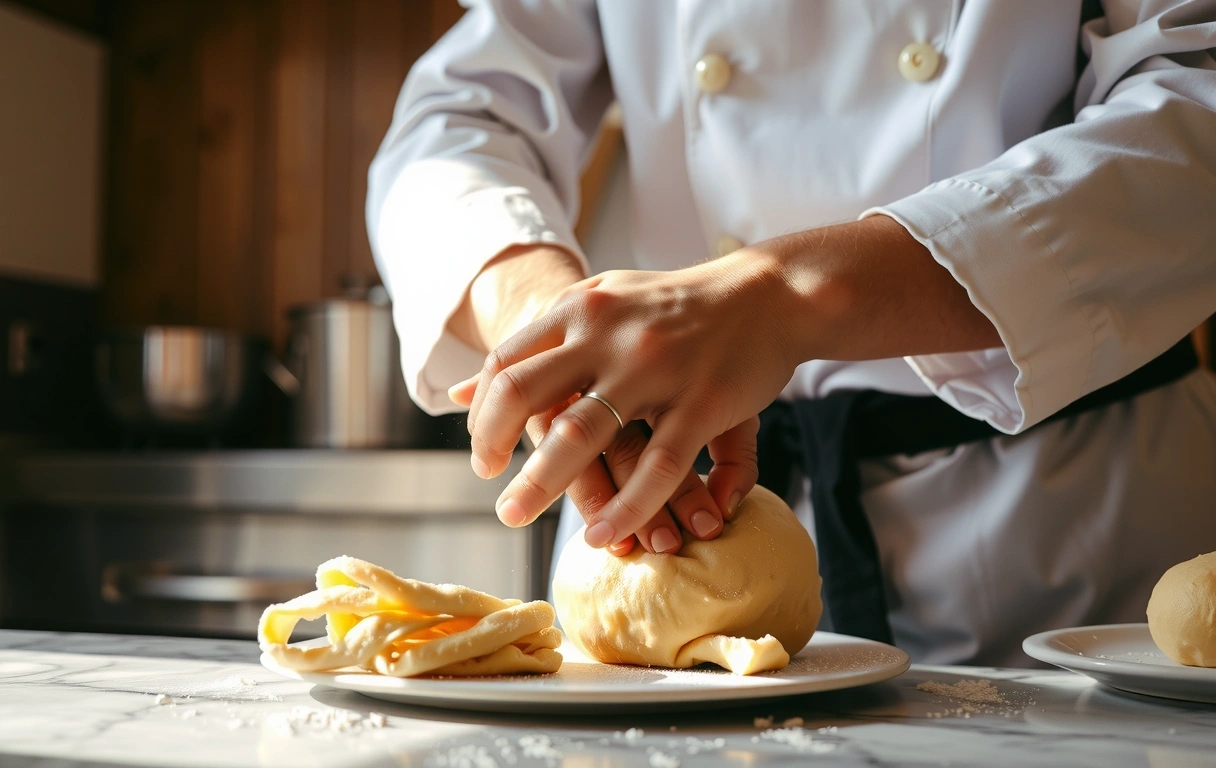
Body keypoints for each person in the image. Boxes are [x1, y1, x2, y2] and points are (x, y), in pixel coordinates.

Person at [368, 0, 1216, 666]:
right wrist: (553, 327)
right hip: (658, 491)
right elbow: (460, 120)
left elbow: (1197, 94)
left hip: (1065, 522)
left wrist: (785, 297)